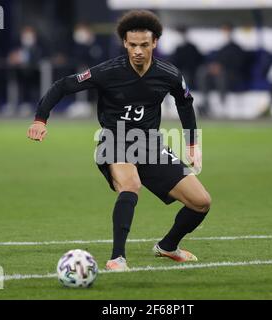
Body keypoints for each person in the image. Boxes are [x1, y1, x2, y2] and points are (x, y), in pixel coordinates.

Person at [27, 10, 211, 271]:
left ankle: (168, 246)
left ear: (155, 43)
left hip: (151, 146)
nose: (137, 50)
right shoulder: (108, 72)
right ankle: (117, 258)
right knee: (130, 184)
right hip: (114, 141)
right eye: (132, 44)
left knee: (201, 202)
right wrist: (40, 120)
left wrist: (192, 144)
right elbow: (63, 85)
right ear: (125, 43)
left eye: (144, 45)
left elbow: (184, 103)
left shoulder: (168, 73)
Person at [197, 23, 249, 115]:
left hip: (231, 74)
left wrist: (222, 68)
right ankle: (205, 103)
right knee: (203, 73)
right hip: (218, 73)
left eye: (227, 30)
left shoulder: (236, 48)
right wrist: (213, 67)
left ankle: (222, 104)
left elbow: (238, 64)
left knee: (221, 76)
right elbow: (217, 62)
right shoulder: (222, 48)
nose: (225, 33)